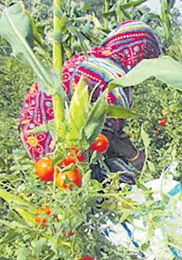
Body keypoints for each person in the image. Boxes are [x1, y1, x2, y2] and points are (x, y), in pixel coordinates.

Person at [19, 20, 162, 184]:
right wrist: (134, 156)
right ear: (139, 55)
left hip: (34, 133)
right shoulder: (114, 76)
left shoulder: (87, 58)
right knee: (120, 180)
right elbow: (101, 134)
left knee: (54, 182)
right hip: (63, 141)